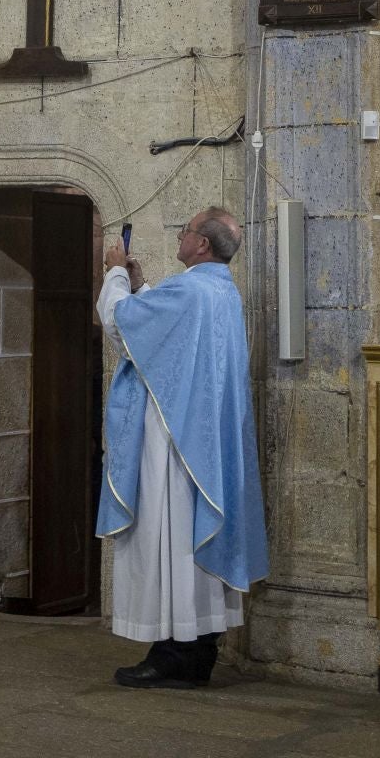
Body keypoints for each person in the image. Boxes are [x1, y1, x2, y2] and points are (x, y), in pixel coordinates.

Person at [97, 207, 267, 689]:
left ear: (202, 246)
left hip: (173, 442)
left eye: (187, 228)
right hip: (202, 439)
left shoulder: (191, 289)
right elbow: (166, 331)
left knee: (167, 538)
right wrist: (143, 283)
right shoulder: (218, 289)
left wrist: (113, 270)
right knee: (187, 542)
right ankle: (196, 651)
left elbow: (119, 324)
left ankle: (174, 651)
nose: (181, 232)